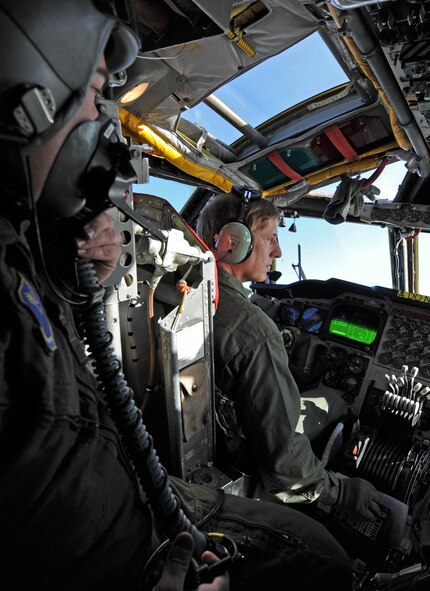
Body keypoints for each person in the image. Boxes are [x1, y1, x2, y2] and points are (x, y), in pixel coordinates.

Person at [0, 2, 353, 590]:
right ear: (30, 103)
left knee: (323, 406)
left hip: (116, 479)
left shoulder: (16, 246)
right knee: (323, 560)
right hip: (109, 534)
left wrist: (76, 275)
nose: (99, 122)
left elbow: (39, 358)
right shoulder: (248, 325)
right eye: (91, 94)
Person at [196, 188, 382, 522]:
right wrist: (342, 492)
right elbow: (287, 471)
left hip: (210, 437)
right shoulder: (256, 332)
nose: (278, 251)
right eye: (270, 238)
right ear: (233, 242)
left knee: (331, 401)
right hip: (238, 467)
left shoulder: (188, 292)